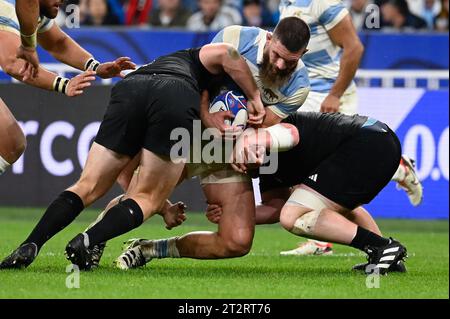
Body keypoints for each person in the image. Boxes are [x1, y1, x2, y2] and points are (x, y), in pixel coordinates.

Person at [0, 40, 267, 270]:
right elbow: (228, 53)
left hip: (130, 87)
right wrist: (255, 97)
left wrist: (165, 208)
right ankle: (89, 239)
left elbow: (127, 176)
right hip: (176, 94)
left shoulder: (171, 60)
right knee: (148, 198)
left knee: (87, 186)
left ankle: (30, 244)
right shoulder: (200, 66)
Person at [116, 111, 408, 275]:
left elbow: (287, 135)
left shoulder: (274, 136)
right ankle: (387, 257)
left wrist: (256, 140)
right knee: (328, 205)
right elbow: (274, 207)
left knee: (297, 216)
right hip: (382, 143)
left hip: (367, 146)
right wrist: (234, 214)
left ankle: (382, 248)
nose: (241, 166)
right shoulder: (267, 166)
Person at [276, 0, 423, 256]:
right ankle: (375, 248)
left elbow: (354, 47)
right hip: (305, 95)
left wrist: (335, 95)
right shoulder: (286, 3)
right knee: (318, 183)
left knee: (321, 177)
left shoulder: (323, 3)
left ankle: (397, 167)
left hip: (324, 96)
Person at [0, 0, 136, 176]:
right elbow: (13, 63)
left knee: (11, 143)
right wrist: (64, 84)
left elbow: (58, 43)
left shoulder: (33, 13)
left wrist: (96, 67)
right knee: (10, 143)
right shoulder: (7, 7)